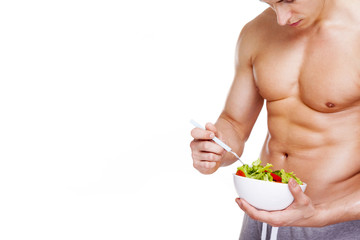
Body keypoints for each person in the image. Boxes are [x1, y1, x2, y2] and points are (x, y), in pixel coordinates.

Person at [189, 0, 360, 239]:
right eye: (270, 3)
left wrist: (320, 215)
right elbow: (234, 123)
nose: (281, 18)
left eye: (287, 0)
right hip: (262, 216)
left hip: (338, 221)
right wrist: (215, 148)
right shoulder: (257, 31)